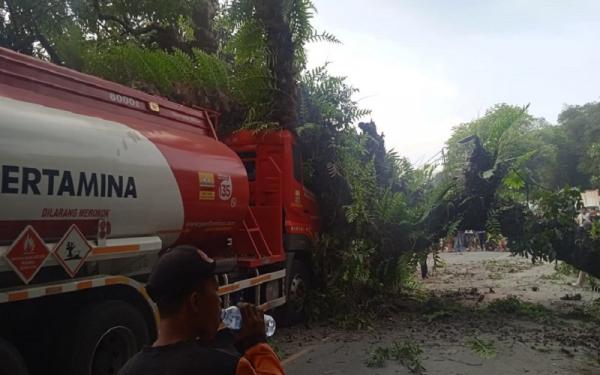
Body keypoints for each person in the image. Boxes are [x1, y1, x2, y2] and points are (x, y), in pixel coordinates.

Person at [118, 245, 284, 375]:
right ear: (195, 302)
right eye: (216, 292)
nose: (220, 301)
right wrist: (256, 344)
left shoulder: (129, 369)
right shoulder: (225, 368)